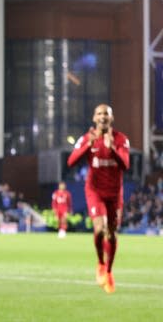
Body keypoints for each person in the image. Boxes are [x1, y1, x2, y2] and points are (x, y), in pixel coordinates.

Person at [67, 104, 130, 294]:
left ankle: (109, 272)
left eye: (107, 114)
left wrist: (113, 150)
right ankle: (101, 264)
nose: (103, 117)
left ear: (112, 118)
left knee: (112, 232)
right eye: (100, 114)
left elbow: (126, 165)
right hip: (94, 190)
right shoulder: (87, 138)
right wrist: (88, 145)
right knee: (100, 228)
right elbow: (71, 161)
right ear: (94, 118)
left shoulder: (121, 139)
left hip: (114, 193)